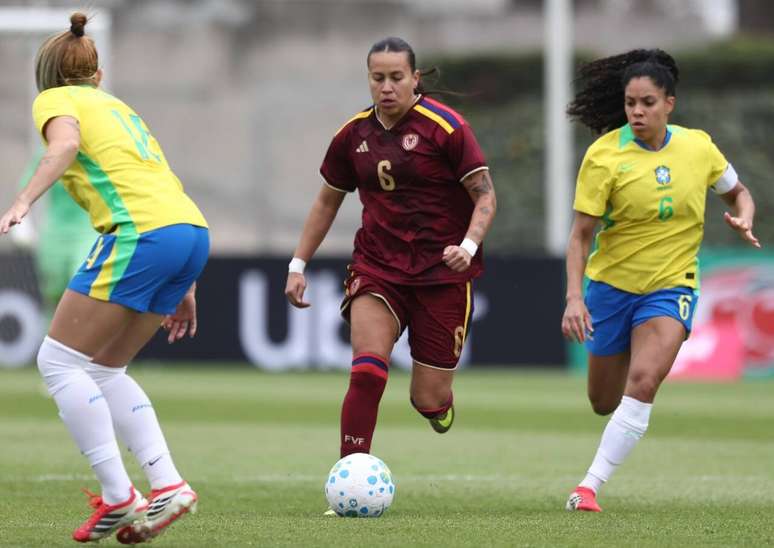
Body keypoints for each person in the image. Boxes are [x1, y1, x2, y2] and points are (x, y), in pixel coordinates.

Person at [0, 13, 209, 543]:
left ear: (45, 76)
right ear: (97, 73)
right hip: (188, 230)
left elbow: (64, 147)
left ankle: (119, 495)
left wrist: (23, 200)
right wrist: (185, 281)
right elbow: (161, 179)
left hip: (140, 234)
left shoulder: (53, 100)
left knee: (57, 361)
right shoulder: (119, 107)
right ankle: (168, 484)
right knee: (102, 369)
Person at [561, 49, 759, 512]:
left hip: (672, 285)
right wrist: (575, 297)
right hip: (610, 289)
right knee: (601, 401)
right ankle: (623, 349)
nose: (637, 112)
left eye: (647, 102)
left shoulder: (698, 147)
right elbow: (580, 236)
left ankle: (588, 487)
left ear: (669, 103)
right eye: (631, 103)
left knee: (645, 380)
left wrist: (744, 216)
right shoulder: (604, 156)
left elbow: (738, 191)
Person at [285, 37, 496, 461]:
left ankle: (439, 406)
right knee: (366, 370)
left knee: (428, 399)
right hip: (378, 266)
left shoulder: (448, 128)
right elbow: (327, 200)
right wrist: (297, 264)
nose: (387, 87)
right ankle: (349, 474)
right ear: (368, 79)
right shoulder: (352, 135)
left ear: (414, 78)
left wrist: (469, 246)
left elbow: (486, 196)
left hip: (442, 273)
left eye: (396, 77)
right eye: (378, 78)